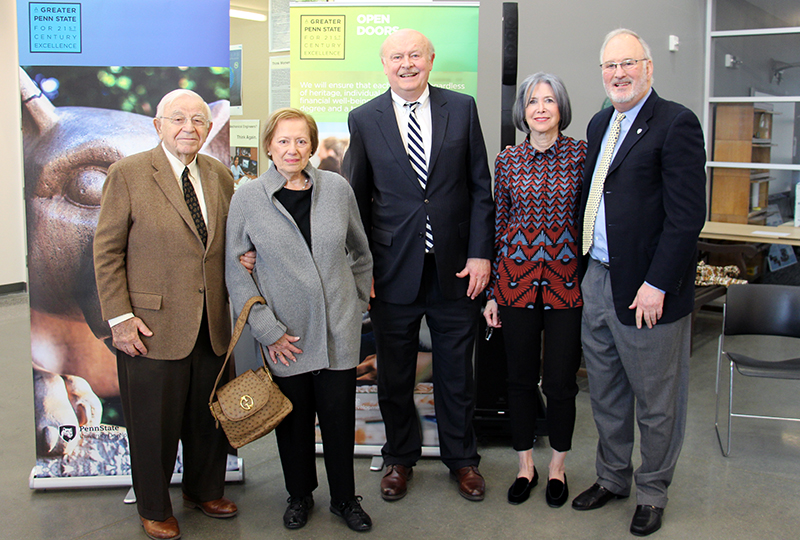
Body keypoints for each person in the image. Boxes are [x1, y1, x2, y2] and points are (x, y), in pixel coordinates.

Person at [343, 28, 494, 502]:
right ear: (384, 64)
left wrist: (479, 254)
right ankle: (399, 458)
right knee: (395, 375)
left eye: (414, 55)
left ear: (430, 59)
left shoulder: (462, 108)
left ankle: (462, 460)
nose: (406, 64)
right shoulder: (364, 118)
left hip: (455, 269)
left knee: (456, 374)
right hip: (391, 270)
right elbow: (355, 202)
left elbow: (479, 189)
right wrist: (360, 270)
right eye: (396, 57)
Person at [571, 29, 706, 537]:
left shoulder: (675, 123)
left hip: (648, 289)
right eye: (610, 66)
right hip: (600, 278)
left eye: (628, 63)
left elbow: (687, 216)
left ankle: (652, 490)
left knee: (656, 398)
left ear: (649, 68)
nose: (618, 73)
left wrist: (657, 283)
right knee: (604, 392)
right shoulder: (600, 121)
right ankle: (612, 477)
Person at [93, 89, 238, 540]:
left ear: (208, 128)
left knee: (207, 418)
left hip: (211, 323)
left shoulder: (219, 175)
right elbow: (106, 251)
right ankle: (154, 506)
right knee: (153, 426)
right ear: (158, 125)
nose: (189, 128)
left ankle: (203, 490)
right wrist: (119, 318)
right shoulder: (128, 174)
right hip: (151, 326)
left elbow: (223, 245)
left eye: (198, 120)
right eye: (178, 119)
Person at [225, 108, 374, 532]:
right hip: (284, 334)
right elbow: (236, 271)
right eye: (283, 141)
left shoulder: (337, 188)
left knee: (339, 419)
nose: (293, 149)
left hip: (339, 331)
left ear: (312, 145)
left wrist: (356, 303)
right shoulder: (248, 198)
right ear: (269, 146)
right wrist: (267, 330)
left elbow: (362, 254)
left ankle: (345, 498)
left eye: (302, 141)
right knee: (292, 422)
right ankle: (300, 495)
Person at [483, 73, 585, 508]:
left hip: (567, 286)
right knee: (519, 380)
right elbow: (499, 227)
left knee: (560, 383)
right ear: (522, 112)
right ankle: (525, 465)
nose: (540, 108)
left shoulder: (582, 156)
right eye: (532, 102)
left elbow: (590, 222)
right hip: (515, 285)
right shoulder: (507, 160)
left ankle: (558, 467)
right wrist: (492, 292)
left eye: (549, 100)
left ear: (561, 107)